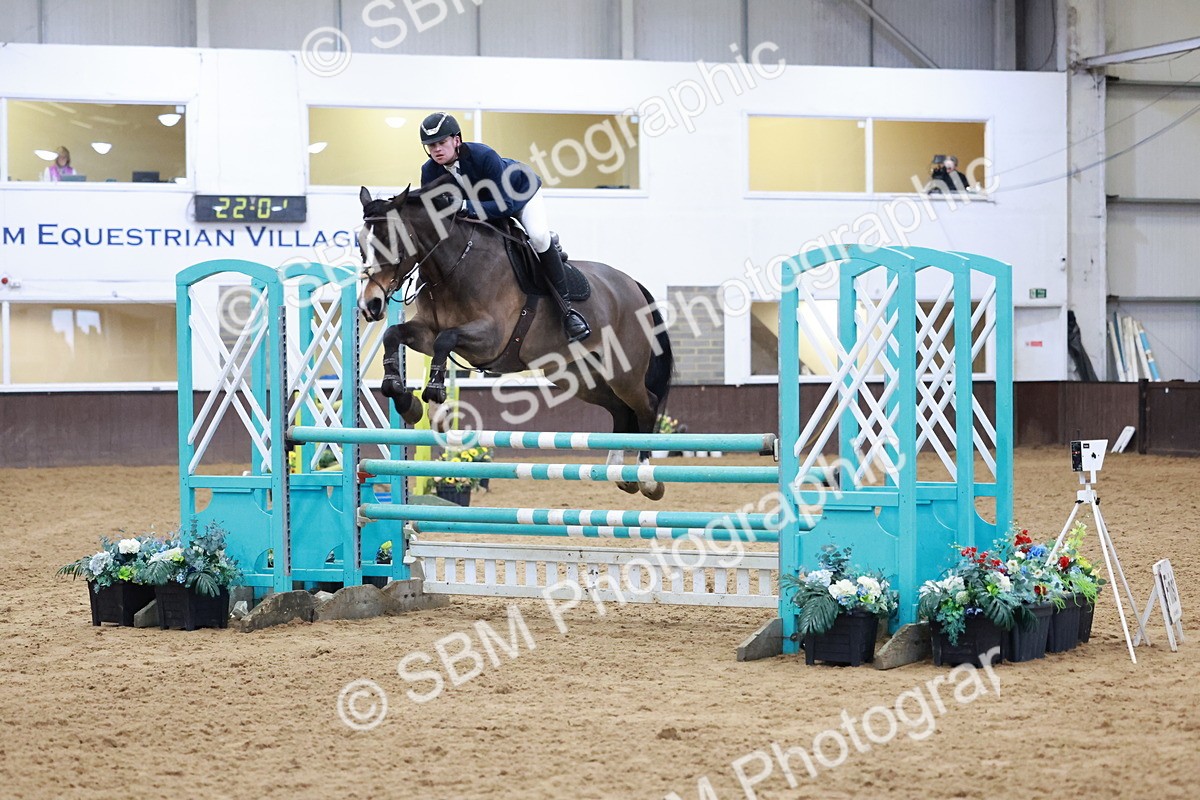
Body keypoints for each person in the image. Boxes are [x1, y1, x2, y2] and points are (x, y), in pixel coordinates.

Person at [417, 112, 590, 344]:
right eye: (430, 145)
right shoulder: (429, 172)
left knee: (537, 237)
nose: (436, 149)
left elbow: (505, 205)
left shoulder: (483, 156)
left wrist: (464, 205)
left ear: (456, 140)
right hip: (482, 208)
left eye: (441, 142)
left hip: (520, 195)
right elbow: (435, 216)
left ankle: (567, 311)